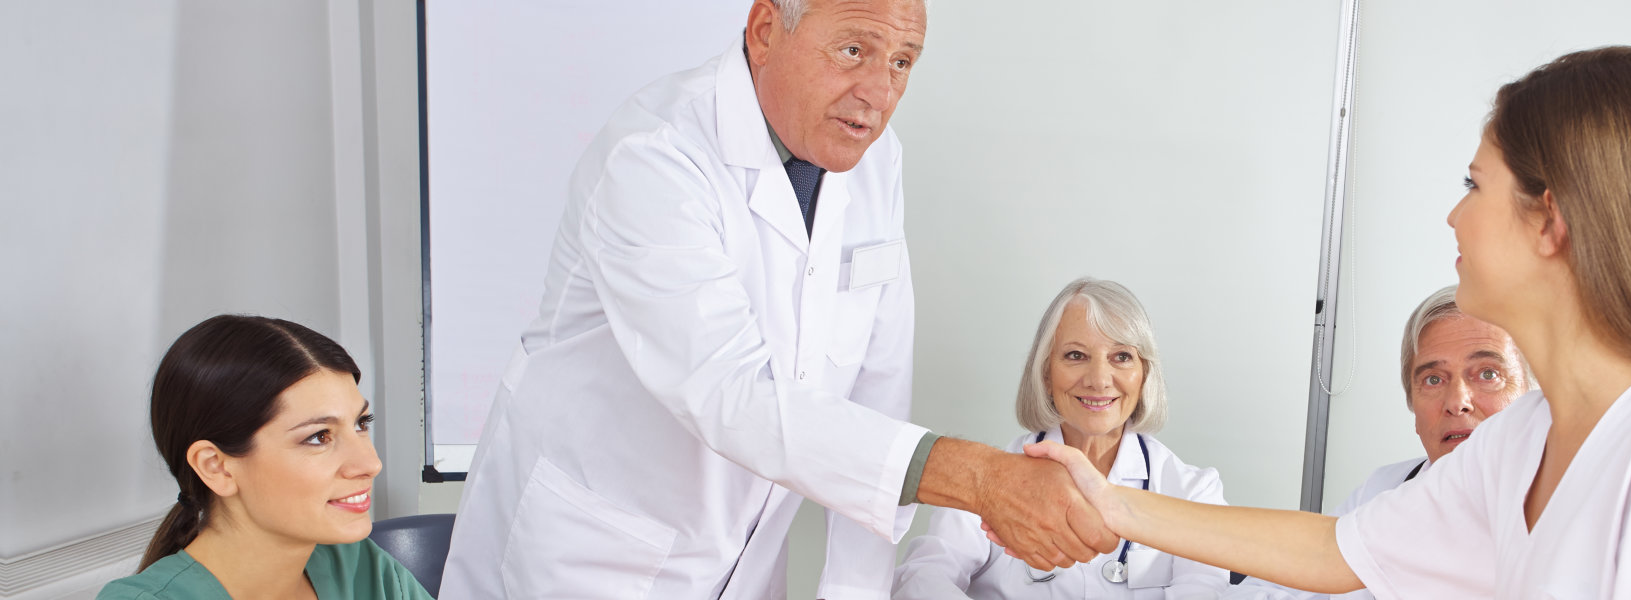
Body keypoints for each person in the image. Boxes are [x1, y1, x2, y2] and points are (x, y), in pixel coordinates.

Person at [1017, 46, 1631, 598]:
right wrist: (1112, 504)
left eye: (1474, 186)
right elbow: (1340, 551)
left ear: (1550, 222)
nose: (1453, 216)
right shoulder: (1532, 440)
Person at [441, 1, 1115, 598]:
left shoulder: (875, 161)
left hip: (745, 565)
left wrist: (854, 592)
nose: (879, 93)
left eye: (904, 61)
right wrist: (977, 478)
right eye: (854, 50)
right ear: (766, 29)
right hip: (594, 561)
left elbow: (878, 387)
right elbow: (734, 395)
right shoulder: (654, 157)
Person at [895, 278, 1230, 598]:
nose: (1099, 380)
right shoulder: (992, 482)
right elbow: (921, 578)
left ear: (1144, 374)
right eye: (1076, 355)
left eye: (1121, 357)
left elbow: (1203, 591)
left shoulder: (1194, 492)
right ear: (1045, 371)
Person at [98, 315, 431, 600]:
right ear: (216, 466)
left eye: (361, 424)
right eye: (318, 437)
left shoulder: (360, 569)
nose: (370, 464)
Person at [1232, 285, 1529, 599]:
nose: (1457, 402)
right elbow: (1262, 587)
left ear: (1536, 394)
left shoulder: (1564, 511)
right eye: (1433, 379)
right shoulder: (1385, 487)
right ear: (1412, 406)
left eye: (1487, 374)